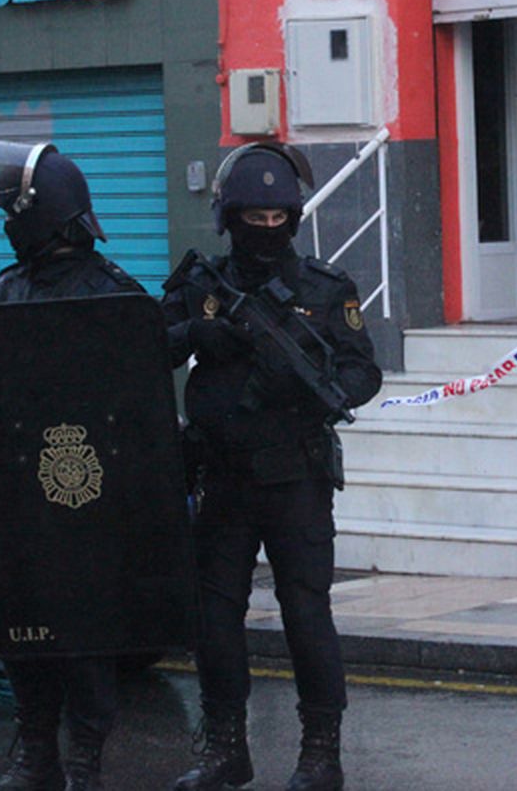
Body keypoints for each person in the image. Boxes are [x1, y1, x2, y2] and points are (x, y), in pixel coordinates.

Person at [165, 142, 382, 791]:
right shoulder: (201, 284)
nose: (265, 229)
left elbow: (363, 370)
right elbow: (142, 345)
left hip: (295, 476)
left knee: (306, 613)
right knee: (214, 616)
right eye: (251, 218)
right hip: (223, 477)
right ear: (228, 218)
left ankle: (322, 754)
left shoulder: (323, 289)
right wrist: (191, 336)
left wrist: (305, 382)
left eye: (276, 218)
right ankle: (225, 747)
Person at [0, 141, 148, 791]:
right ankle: (35, 756)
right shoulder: (10, 287)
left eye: (13, 209)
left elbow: (137, 409)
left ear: (41, 214)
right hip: (21, 492)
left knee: (85, 634)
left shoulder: (111, 294)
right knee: (23, 626)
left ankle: (85, 763)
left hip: (87, 493)